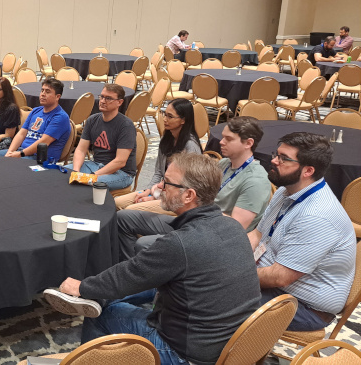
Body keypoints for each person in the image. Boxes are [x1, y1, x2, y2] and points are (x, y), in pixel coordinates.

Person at [44, 153, 261, 365]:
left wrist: (81, 286)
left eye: (167, 183)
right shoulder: (232, 226)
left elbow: (127, 276)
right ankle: (100, 301)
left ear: (189, 195)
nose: (159, 187)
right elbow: (135, 275)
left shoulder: (181, 243)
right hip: (233, 343)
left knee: (102, 314)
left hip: (187, 353)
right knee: (112, 293)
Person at [118, 116, 271, 260]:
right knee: (124, 218)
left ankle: (143, 278)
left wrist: (192, 206)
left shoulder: (256, 181)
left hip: (211, 235)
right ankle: (131, 268)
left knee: (144, 244)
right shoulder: (224, 164)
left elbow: (234, 227)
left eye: (229, 139)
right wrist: (161, 193)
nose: (221, 142)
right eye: (223, 137)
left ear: (248, 143)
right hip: (192, 220)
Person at [249, 132, 355, 331]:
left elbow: (279, 276)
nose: (274, 161)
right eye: (276, 154)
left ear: (308, 171)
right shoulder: (286, 190)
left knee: (215, 296)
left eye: (283, 158)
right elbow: (257, 235)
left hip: (304, 307)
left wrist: (232, 273)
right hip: (277, 286)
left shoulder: (317, 215)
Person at [114, 98, 201, 211]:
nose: (164, 119)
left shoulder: (190, 146)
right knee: (117, 202)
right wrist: (148, 190)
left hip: (177, 200)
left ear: (183, 120)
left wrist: (156, 198)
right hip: (160, 190)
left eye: (170, 116)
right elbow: (158, 172)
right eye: (164, 114)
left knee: (131, 210)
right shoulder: (167, 139)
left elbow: (188, 185)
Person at [66, 84, 136, 191]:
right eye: (102, 97)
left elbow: (120, 162)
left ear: (120, 102)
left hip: (121, 173)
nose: (103, 101)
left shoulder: (126, 125)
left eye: (108, 98)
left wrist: (91, 176)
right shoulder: (92, 120)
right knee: (62, 174)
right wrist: (75, 172)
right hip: (95, 165)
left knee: (85, 184)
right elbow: (80, 150)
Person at [0, 77, 70, 161]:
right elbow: (21, 134)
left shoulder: (60, 117)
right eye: (42, 90)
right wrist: (9, 152)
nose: (43, 94)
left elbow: (44, 142)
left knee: (2, 168)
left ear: (57, 97)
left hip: (40, 158)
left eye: (47, 92)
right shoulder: (36, 111)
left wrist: (20, 154)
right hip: (22, 152)